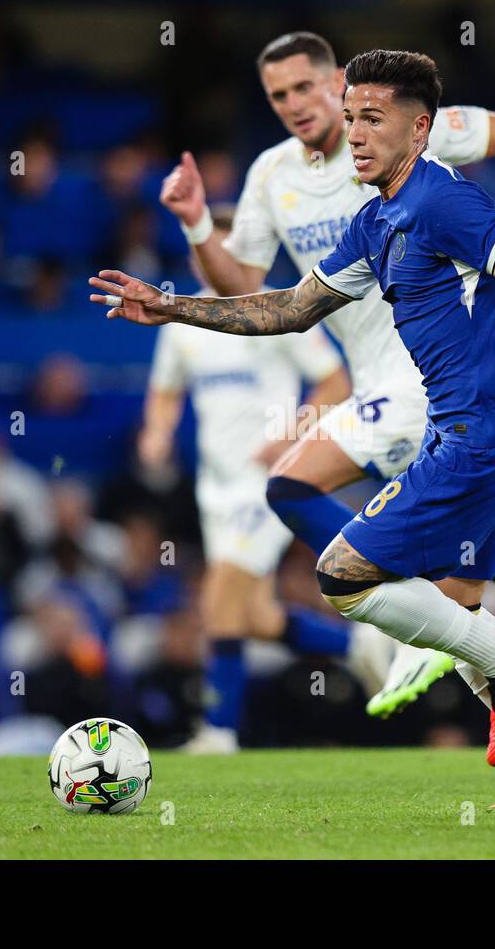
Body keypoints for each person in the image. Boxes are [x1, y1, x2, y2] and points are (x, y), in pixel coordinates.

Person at [92, 49, 495, 806]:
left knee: (343, 576)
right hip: (483, 434)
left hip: (481, 436)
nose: (354, 133)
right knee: (459, 611)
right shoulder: (375, 220)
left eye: (372, 119)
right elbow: (286, 308)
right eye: (350, 116)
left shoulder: (443, 201)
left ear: (421, 131)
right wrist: (173, 305)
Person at [139, 212, 388, 754]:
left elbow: (334, 380)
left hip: (268, 482)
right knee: (254, 616)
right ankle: (356, 644)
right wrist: (157, 432)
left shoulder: (276, 310)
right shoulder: (183, 323)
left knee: (220, 596)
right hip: (216, 487)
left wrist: (293, 436)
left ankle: (219, 732)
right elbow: (165, 391)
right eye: (204, 248)